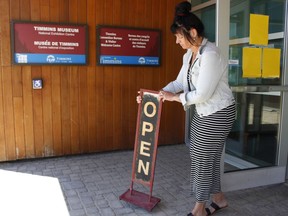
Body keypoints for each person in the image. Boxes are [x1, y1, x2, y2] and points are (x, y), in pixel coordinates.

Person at [137, 1, 236, 216]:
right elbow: (180, 83)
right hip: (203, 111)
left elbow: (203, 94)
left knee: (201, 155)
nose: (177, 41)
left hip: (219, 112)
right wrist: (155, 95)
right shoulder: (189, 55)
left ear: (192, 32)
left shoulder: (210, 54)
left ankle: (200, 207)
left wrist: (174, 98)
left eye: (179, 37)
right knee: (204, 155)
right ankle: (219, 199)